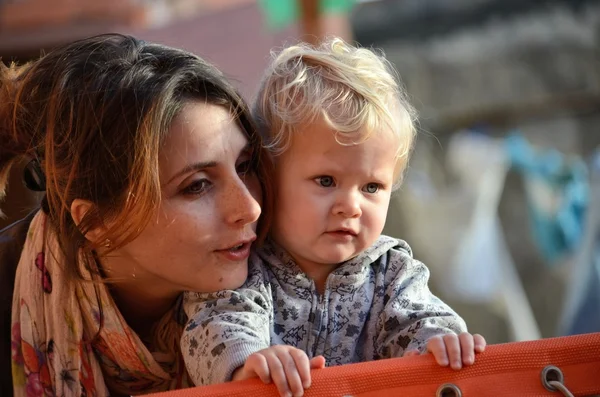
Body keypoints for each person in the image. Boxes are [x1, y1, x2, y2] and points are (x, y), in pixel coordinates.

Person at [181, 38, 486, 397]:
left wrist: (441, 342)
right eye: (326, 181)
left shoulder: (390, 273)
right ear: (268, 177)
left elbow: (419, 319)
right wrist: (252, 362)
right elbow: (217, 325)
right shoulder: (245, 266)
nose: (351, 206)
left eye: (372, 187)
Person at [0, 33, 272, 396]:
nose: (249, 207)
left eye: (245, 165)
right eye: (197, 185)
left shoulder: (304, 271)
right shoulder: (7, 296)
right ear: (94, 222)